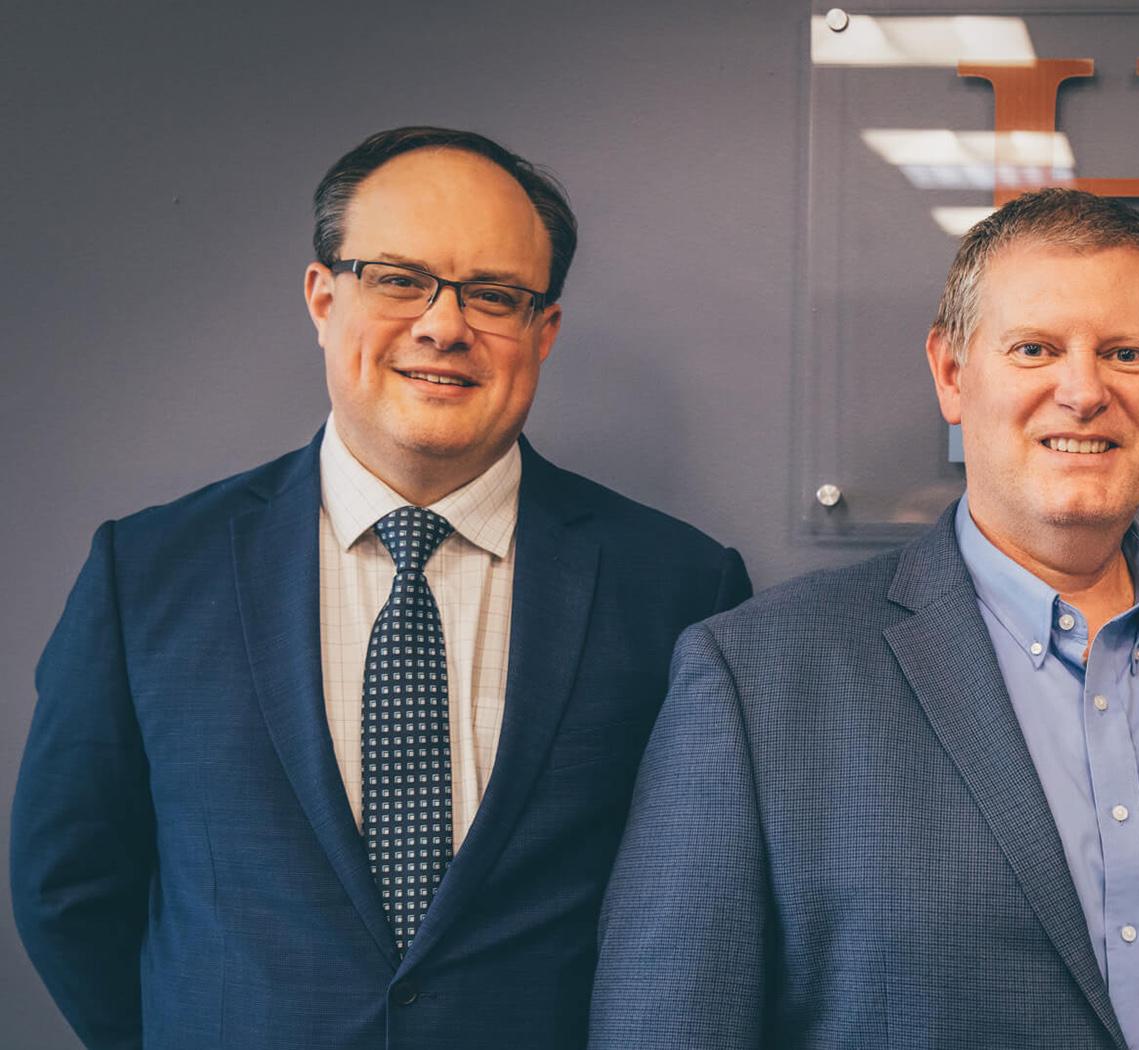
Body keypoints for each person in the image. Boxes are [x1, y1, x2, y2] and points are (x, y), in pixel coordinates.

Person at [590, 188, 1139, 1050]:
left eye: (1126, 352)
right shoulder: (760, 677)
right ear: (950, 373)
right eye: (1035, 348)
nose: (1084, 391)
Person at [10, 126, 751, 1050]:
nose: (444, 325)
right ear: (323, 298)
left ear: (543, 330)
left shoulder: (680, 586)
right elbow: (67, 886)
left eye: (494, 295)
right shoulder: (150, 572)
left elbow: (710, 913)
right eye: (398, 279)